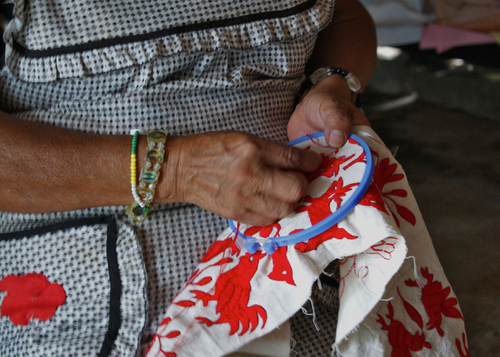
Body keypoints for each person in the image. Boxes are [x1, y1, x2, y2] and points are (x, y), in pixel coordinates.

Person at [0, 0, 377, 355]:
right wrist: (177, 170)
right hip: (102, 303)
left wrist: (330, 82)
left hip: (300, 262)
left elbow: (342, 15)